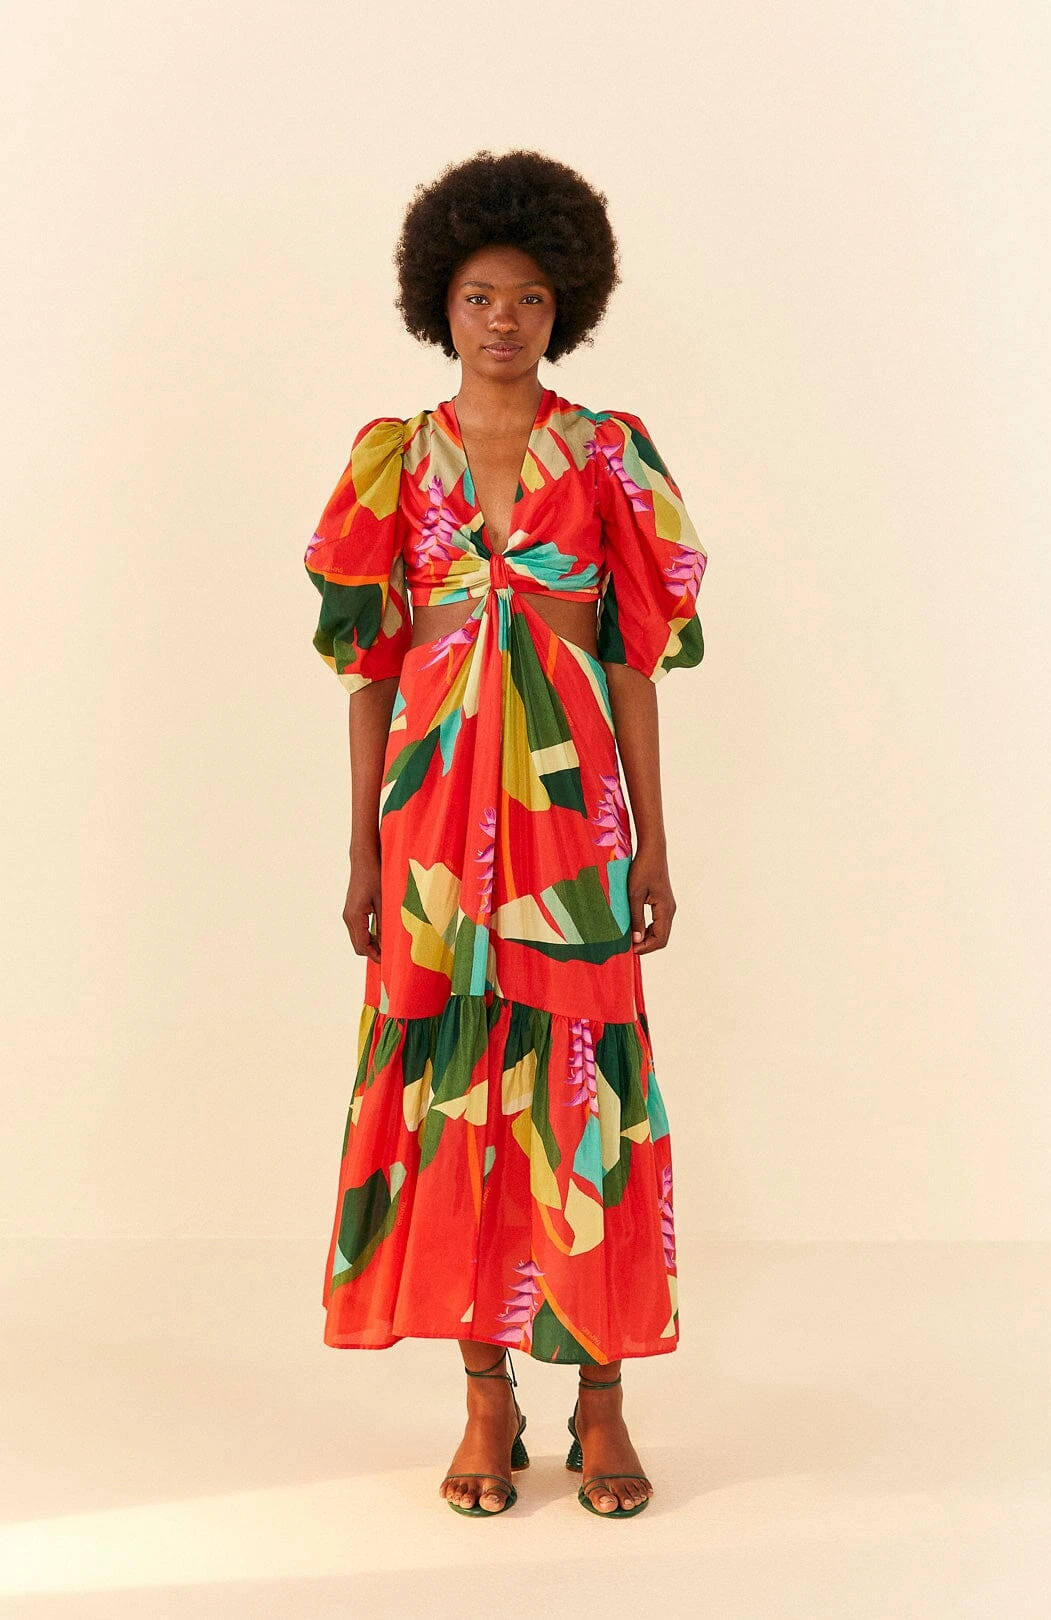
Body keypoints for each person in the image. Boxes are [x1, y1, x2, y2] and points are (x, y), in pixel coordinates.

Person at [303, 149, 708, 1519]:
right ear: (440, 301)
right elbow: (370, 670)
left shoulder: (606, 454)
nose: (503, 320)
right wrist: (362, 851)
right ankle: (486, 1399)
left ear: (563, 306)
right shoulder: (392, 459)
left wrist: (655, 845)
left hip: (569, 822)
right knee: (455, 1088)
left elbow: (633, 661)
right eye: (480, 295)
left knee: (581, 1089)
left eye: (530, 298)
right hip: (428, 826)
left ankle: (601, 1401)